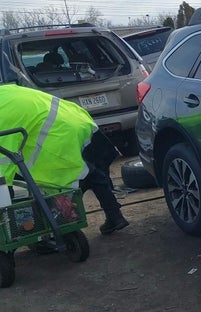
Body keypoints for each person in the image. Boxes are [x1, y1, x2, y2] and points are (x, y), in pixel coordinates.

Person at [0, 84, 129, 234]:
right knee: (90, 173)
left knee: (56, 183)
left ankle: (61, 225)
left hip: (56, 135)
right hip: (77, 120)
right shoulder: (6, 91)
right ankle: (115, 216)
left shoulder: (2, 114)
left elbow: (4, 159)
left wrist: (5, 190)